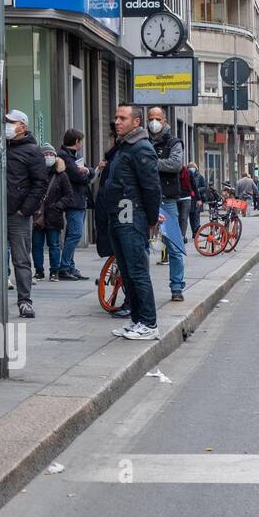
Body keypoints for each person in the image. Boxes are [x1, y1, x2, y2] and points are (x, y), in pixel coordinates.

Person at [96, 104, 162, 341]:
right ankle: (136, 320)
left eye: (122, 117)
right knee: (126, 271)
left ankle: (149, 323)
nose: (117, 121)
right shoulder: (123, 147)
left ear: (136, 122)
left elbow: (152, 187)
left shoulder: (140, 148)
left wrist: (152, 219)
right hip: (118, 216)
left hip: (132, 217)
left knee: (137, 271)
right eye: (115, 117)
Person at [0, 109, 47, 318]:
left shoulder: (32, 151)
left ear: (22, 126)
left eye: (11, 122)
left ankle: (25, 301)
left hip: (18, 215)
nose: (6, 125)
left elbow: (40, 183)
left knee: (21, 259)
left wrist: (26, 209)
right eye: (6, 122)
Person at [146, 107, 187, 303]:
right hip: (145, 201)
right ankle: (140, 289)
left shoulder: (174, 142)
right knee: (141, 247)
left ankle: (177, 287)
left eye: (158, 119)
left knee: (175, 248)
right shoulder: (142, 141)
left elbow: (175, 165)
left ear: (165, 121)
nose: (154, 122)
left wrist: (150, 163)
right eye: (151, 118)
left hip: (167, 201)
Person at [33, 142, 76, 281]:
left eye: (51, 154)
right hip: (38, 215)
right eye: (46, 154)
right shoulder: (35, 174)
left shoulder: (61, 175)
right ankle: (39, 271)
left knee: (54, 245)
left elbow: (69, 195)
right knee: (37, 245)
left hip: (54, 215)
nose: (49, 156)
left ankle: (54, 271)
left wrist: (58, 206)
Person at [56, 129, 91, 280]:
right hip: (73, 201)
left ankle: (70, 266)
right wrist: (86, 173)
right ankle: (64, 267)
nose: (81, 144)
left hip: (80, 200)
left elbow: (89, 171)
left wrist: (87, 171)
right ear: (77, 142)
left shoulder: (74, 156)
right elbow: (79, 177)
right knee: (75, 234)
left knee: (72, 234)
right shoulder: (64, 156)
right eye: (80, 141)